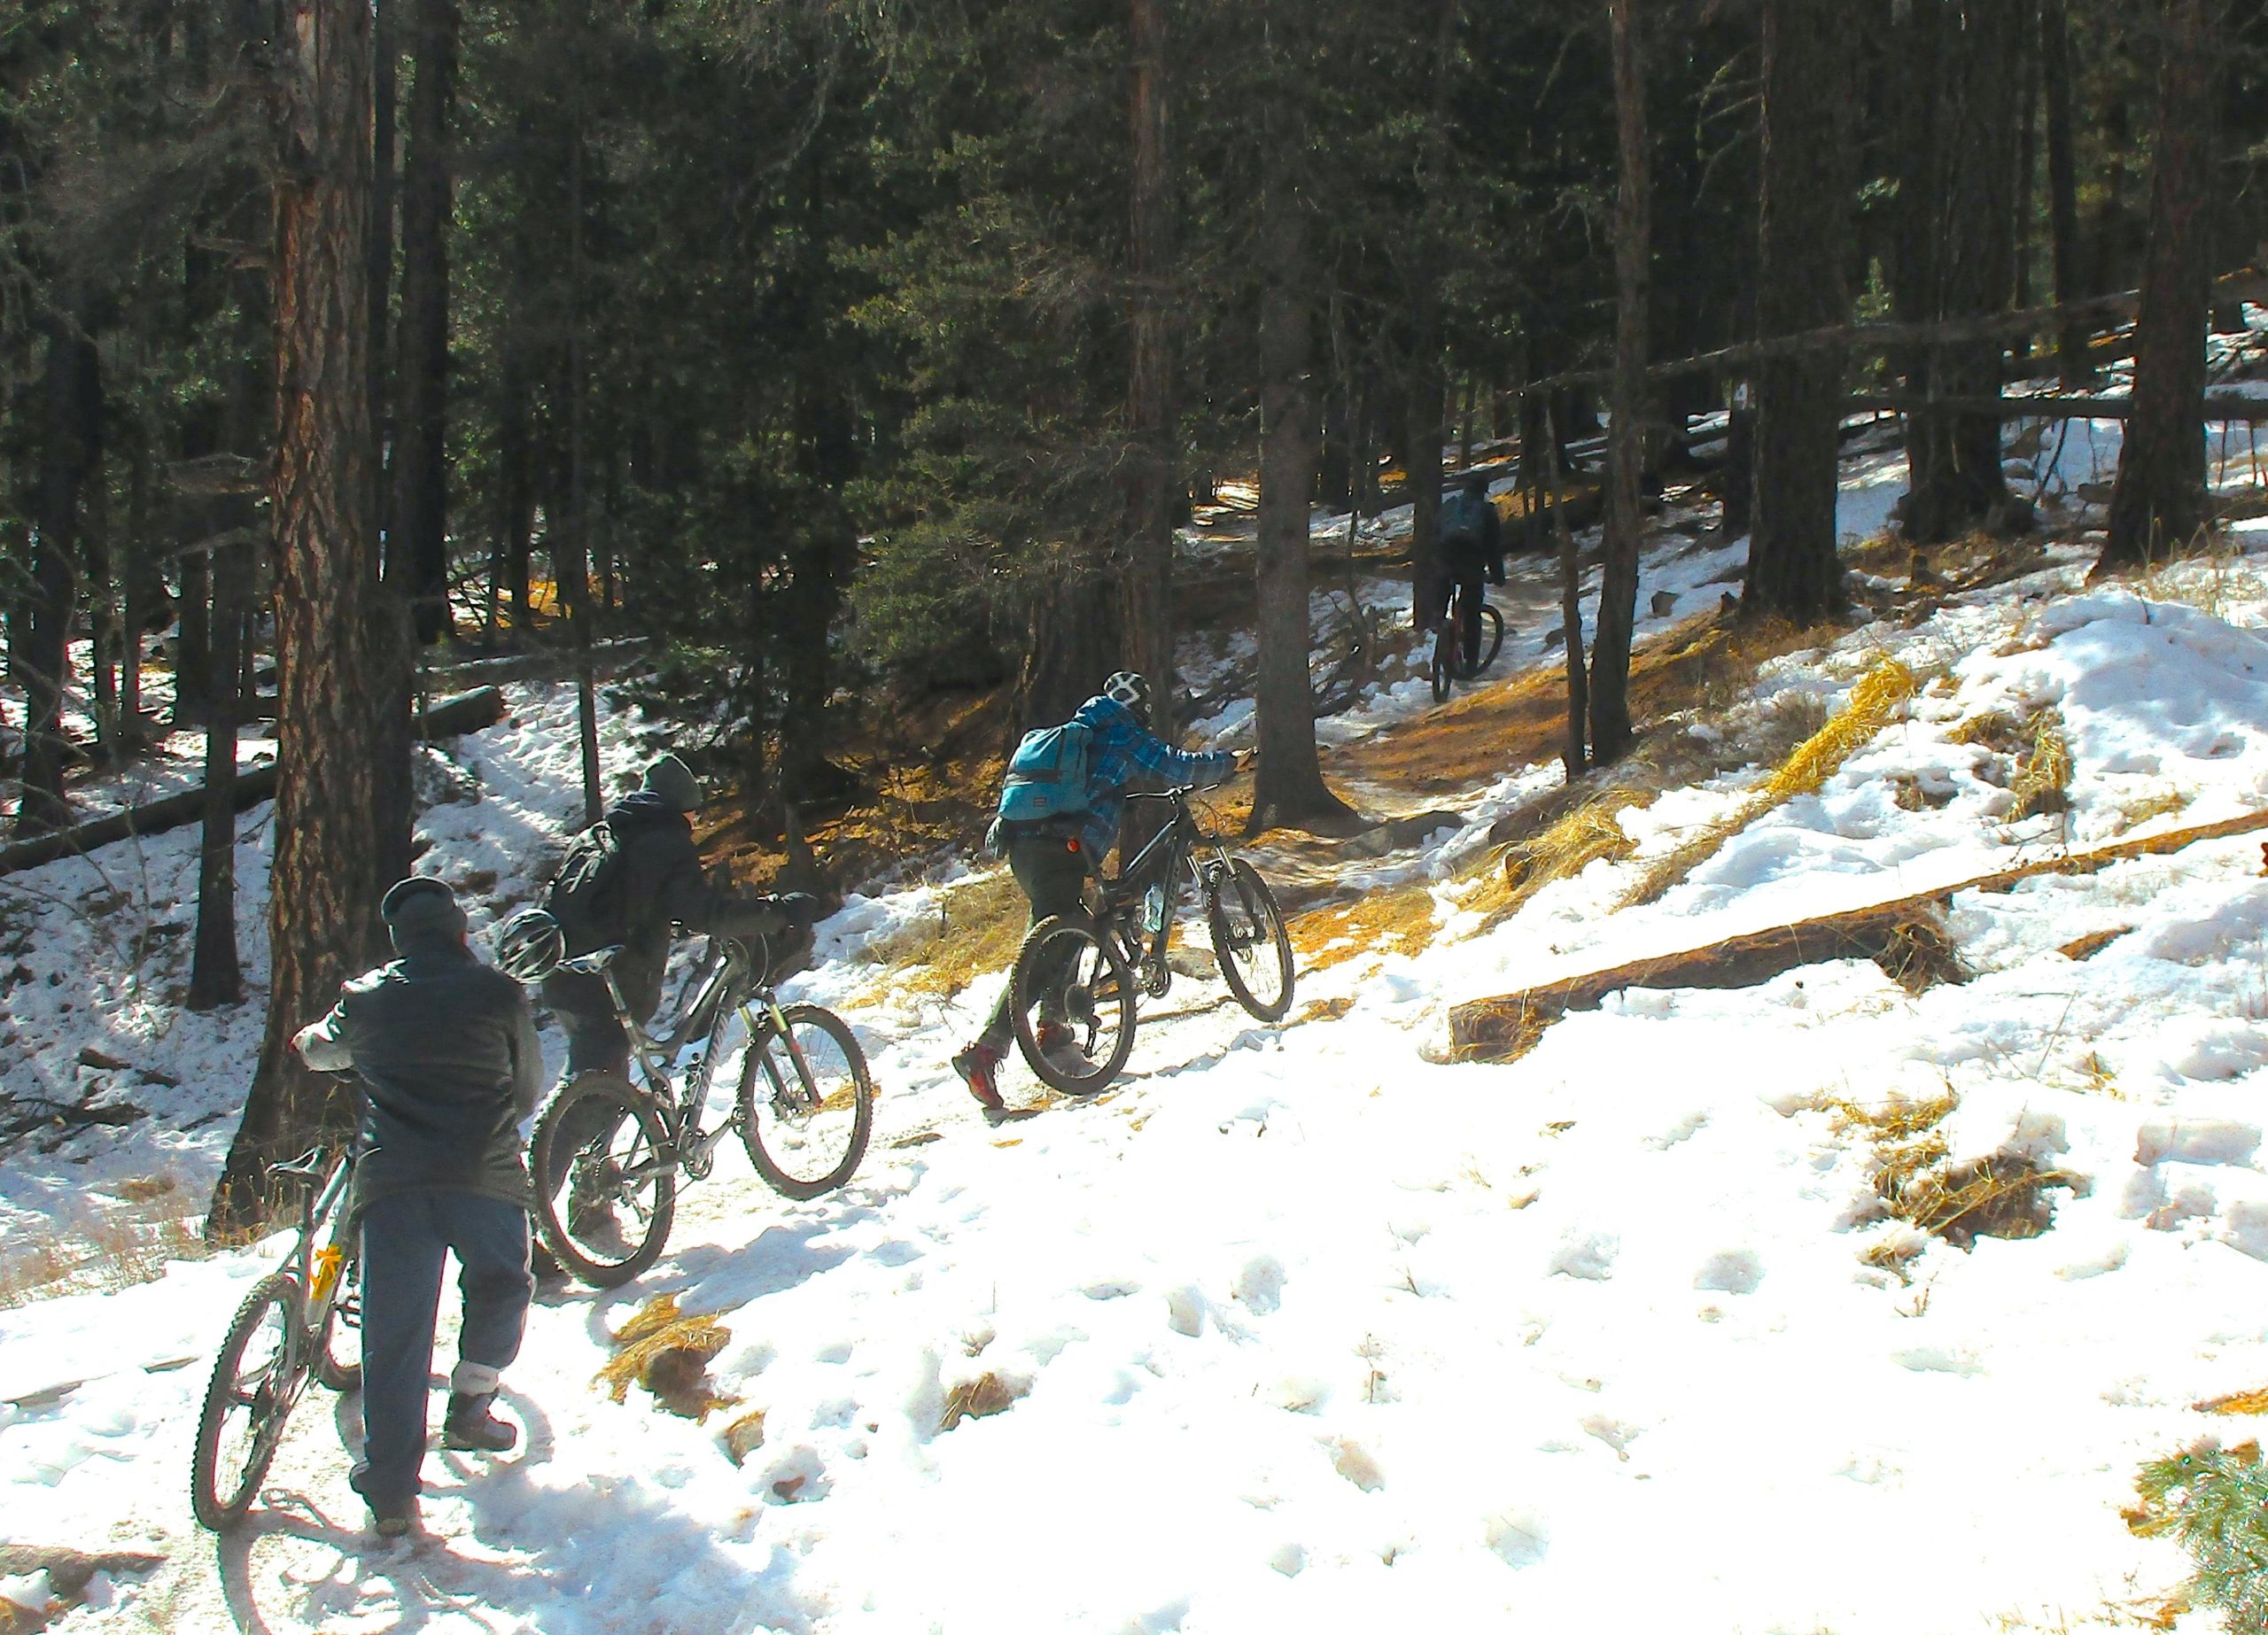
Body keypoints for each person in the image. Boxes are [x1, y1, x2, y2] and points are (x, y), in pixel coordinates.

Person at [292, 876, 544, 1538]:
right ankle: (471, 1401)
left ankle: (392, 1495)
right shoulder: (499, 992)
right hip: (484, 1176)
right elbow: (528, 1089)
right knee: (504, 1284)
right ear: (461, 930)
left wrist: (305, 1041)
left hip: (394, 1185)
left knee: (394, 1337)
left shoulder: (367, 999)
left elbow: (322, 1051)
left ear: (397, 940)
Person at [950, 670, 1239, 1110]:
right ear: (1138, 707)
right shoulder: (1121, 732)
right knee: (1052, 951)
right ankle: (987, 1051)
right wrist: (1228, 762)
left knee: (1060, 932)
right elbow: (1175, 766)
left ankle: (1054, 1026)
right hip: (1064, 846)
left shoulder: (1073, 732)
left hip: (1022, 845)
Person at [540, 753, 821, 1083]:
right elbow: (708, 914)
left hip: (562, 975)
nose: (695, 822)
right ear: (683, 808)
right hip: (611, 985)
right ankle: (574, 1130)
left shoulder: (601, 834)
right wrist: (780, 912)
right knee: (591, 1105)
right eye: (694, 813)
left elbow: (632, 898)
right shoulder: (665, 841)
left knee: (595, 1085)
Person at [1437, 471, 1506, 671]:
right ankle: (1470, 664)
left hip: (1445, 560)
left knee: (1442, 598)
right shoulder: (1486, 512)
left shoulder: (1450, 506)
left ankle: (1439, 625)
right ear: (1484, 492)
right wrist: (1498, 577)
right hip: (1471, 566)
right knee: (1472, 612)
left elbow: (1436, 532)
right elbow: (1493, 549)